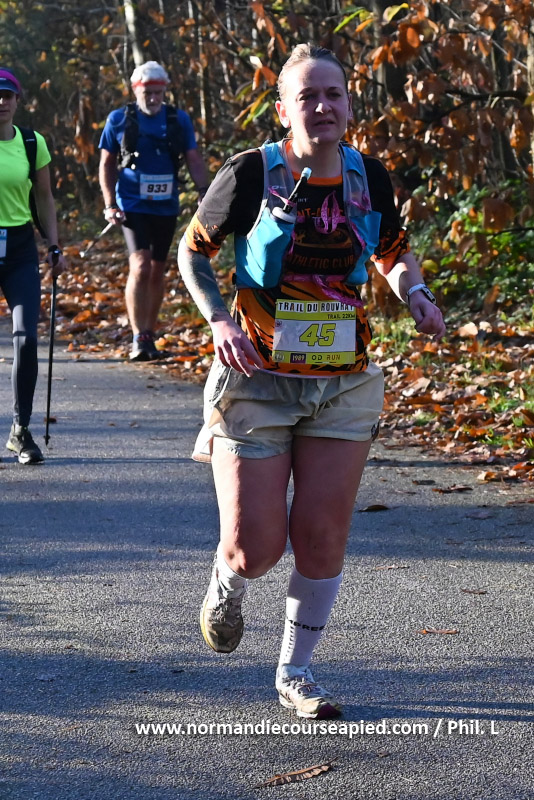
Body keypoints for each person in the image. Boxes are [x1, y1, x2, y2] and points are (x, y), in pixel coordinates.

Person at [178, 44, 446, 719]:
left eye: (334, 94)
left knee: (323, 538)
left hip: (341, 383)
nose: (323, 106)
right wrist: (219, 320)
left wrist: (414, 293)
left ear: (348, 104)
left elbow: (391, 251)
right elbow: (192, 252)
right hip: (258, 378)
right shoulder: (249, 173)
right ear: (284, 110)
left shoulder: (367, 176)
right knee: (256, 549)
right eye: (308, 96)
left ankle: (296, 674)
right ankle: (228, 579)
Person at [98, 61, 209, 361]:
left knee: (158, 269)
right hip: (131, 203)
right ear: (136, 91)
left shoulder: (178, 120)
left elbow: (193, 158)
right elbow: (107, 163)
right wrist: (110, 204)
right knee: (141, 266)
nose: (153, 98)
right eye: (148, 93)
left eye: (158, 92)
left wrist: (204, 192)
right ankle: (138, 336)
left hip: (165, 205)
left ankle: (149, 333)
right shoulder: (119, 119)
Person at [0, 68, 66, 465]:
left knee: (25, 337)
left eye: (7, 95)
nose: (1, 102)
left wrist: (54, 245)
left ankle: (20, 431)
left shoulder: (31, 142)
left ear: (17, 100)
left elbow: (44, 196)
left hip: (20, 248)